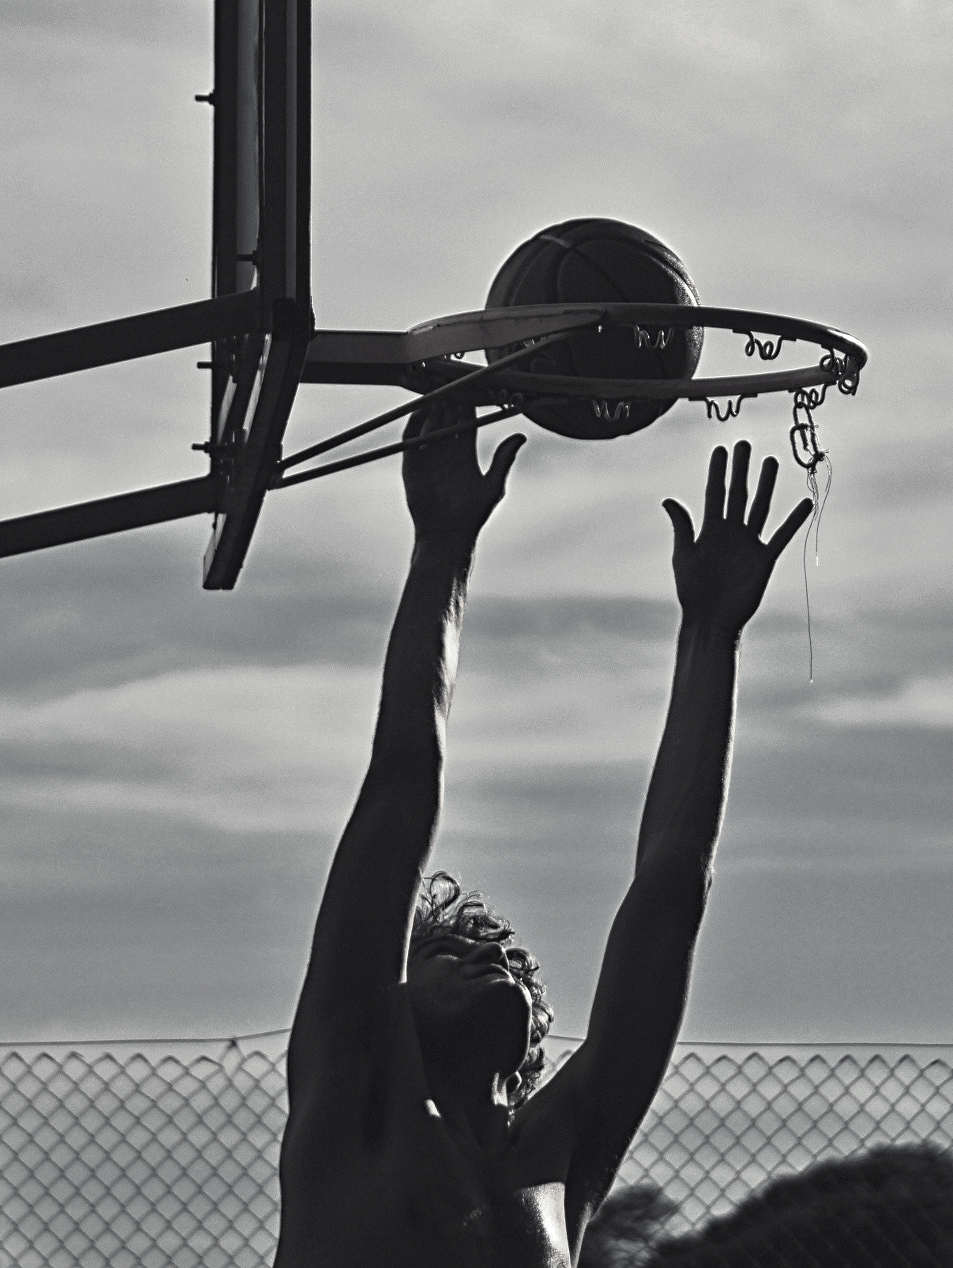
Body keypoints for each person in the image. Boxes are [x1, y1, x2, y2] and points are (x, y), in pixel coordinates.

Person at [275, 401, 812, 1267]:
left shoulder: (560, 1159)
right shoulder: (356, 1091)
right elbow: (403, 782)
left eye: (491, 953)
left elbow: (671, 893)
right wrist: (444, 550)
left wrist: (712, 633)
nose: (482, 959)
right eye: (440, 955)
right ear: (393, 1001)